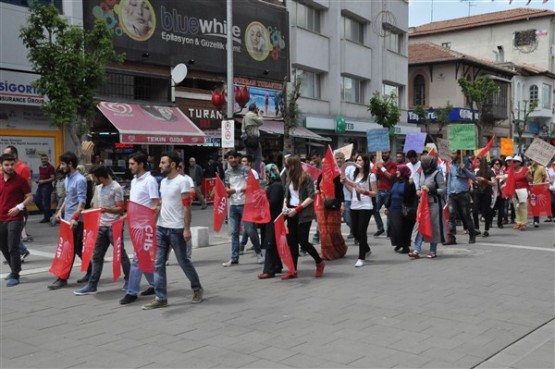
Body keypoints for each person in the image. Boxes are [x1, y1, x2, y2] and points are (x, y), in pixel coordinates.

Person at [142, 151, 204, 309]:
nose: (160, 165)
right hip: (161, 228)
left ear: (173, 165)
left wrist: (187, 229)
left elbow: (186, 207)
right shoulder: (162, 182)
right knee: (158, 263)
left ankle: (197, 288)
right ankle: (161, 297)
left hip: (176, 229)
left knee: (183, 261)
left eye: (163, 162)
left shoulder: (182, 182)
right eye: (161, 162)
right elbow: (163, 202)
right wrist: (155, 214)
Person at [73, 165, 131, 295]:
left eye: (94, 177)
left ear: (100, 177)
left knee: (121, 255)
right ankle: (92, 285)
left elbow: (121, 209)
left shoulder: (116, 188)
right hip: (101, 226)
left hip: (113, 226)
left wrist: (106, 210)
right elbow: (96, 206)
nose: (93, 180)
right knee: (97, 256)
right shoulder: (98, 188)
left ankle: (129, 280)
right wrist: (87, 212)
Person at [120, 152, 160, 305]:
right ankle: (155, 284)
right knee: (143, 258)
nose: (129, 167)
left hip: (145, 227)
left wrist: (151, 224)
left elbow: (156, 204)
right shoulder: (135, 180)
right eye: (129, 164)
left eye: (132, 164)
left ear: (141, 164)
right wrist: (126, 216)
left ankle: (132, 291)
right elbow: (135, 204)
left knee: (137, 260)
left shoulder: (150, 181)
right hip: (134, 225)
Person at [47, 152, 91, 290]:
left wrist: (75, 218)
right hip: (67, 219)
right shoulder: (67, 178)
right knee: (77, 249)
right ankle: (92, 271)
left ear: (70, 164)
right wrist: (60, 211)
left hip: (76, 221)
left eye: (63, 163)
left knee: (69, 250)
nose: (61, 166)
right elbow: (68, 197)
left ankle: (62, 278)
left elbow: (82, 202)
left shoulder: (80, 180)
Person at [282, 155, 325, 279]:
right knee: (292, 242)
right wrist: (285, 206)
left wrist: (297, 209)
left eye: (288, 165)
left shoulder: (306, 177)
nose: (286, 168)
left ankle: (319, 262)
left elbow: (311, 196)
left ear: (293, 165)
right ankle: (293, 270)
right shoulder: (289, 177)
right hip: (291, 212)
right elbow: (287, 194)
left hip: (303, 214)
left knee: (303, 241)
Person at [222, 150, 264, 266]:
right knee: (234, 232)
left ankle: (259, 253)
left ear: (238, 159)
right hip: (233, 205)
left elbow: (251, 186)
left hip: (247, 204)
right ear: (228, 159)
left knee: (250, 230)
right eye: (231, 158)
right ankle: (234, 257)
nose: (233, 160)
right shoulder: (227, 172)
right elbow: (227, 187)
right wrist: (227, 193)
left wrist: (235, 190)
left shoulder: (246, 170)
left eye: (235, 157)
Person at [0, 154, 32, 287]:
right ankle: (13, 269)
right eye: (6, 165)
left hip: (16, 217)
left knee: (13, 245)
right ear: (1, 166)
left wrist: (19, 207)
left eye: (12, 164)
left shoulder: (20, 180)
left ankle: (15, 274)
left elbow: (29, 196)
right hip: (1, 217)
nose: (9, 167)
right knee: (3, 246)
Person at [342, 154, 377, 267]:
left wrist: (365, 192)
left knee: (362, 231)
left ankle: (361, 257)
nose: (357, 161)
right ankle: (366, 249)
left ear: (366, 162)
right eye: (356, 160)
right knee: (355, 231)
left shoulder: (371, 176)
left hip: (366, 206)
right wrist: (345, 182)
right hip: (354, 205)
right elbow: (353, 189)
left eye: (360, 160)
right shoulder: (354, 174)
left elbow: (375, 193)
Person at [409, 156, 446, 259]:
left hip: (434, 205)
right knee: (420, 226)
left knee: (433, 227)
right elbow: (420, 185)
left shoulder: (437, 174)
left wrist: (431, 190)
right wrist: (418, 190)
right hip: (422, 204)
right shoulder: (421, 173)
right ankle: (416, 250)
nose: (424, 167)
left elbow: (443, 189)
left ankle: (433, 250)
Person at [2, 146, 31, 261]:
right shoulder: (3, 168)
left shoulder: (23, 168)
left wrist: (20, 206)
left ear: (14, 155)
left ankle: (18, 259)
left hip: (18, 208)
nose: (9, 167)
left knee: (12, 236)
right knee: (7, 236)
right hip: (4, 208)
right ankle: (17, 254)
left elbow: (28, 189)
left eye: (7, 154)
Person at [316, 159, 347, 261]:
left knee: (333, 230)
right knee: (323, 231)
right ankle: (326, 252)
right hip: (321, 206)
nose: (324, 165)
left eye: (326, 163)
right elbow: (317, 189)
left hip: (333, 205)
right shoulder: (321, 175)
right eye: (323, 163)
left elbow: (340, 191)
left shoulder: (336, 176)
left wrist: (342, 204)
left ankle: (339, 249)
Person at [257, 164, 285, 279]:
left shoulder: (276, 186)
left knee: (270, 243)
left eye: (266, 172)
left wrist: (262, 200)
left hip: (274, 218)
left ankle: (269, 270)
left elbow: (272, 203)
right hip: (272, 218)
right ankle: (277, 265)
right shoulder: (273, 185)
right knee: (273, 244)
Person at [444, 150, 476, 245]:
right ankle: (451, 238)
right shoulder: (451, 165)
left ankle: (472, 235)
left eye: (453, 154)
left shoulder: (466, 162)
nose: (451, 155)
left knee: (466, 215)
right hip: (452, 195)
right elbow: (450, 180)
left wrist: (465, 169)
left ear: (458, 154)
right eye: (451, 154)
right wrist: (448, 194)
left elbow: (473, 177)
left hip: (463, 194)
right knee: (451, 216)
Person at [386, 164, 417, 254]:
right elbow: (391, 194)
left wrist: (411, 186)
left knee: (403, 228)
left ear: (403, 171)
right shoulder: (395, 181)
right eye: (396, 170)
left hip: (403, 209)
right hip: (393, 208)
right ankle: (399, 243)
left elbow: (411, 197)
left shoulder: (409, 183)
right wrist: (387, 206)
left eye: (398, 170)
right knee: (394, 228)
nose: (396, 172)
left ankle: (405, 246)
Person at [239, 155, 263, 263]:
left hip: (251, 203)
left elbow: (256, 187)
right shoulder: (238, 172)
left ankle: (256, 250)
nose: (243, 163)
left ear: (249, 163)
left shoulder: (253, 173)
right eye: (242, 161)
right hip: (239, 203)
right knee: (246, 227)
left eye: (245, 161)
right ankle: (240, 246)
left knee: (250, 228)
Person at [373, 151, 397, 237]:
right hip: (379, 190)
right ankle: (380, 228)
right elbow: (377, 177)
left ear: (389, 154)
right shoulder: (380, 164)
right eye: (383, 153)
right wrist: (376, 168)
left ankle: (389, 231)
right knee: (375, 210)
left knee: (388, 212)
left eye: (386, 153)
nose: (384, 155)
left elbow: (390, 176)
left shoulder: (393, 164)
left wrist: (382, 168)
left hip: (389, 191)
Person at [472, 157, 496, 237]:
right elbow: (476, 181)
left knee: (486, 212)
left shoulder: (490, 171)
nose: (478, 164)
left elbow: (493, 183)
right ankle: (476, 228)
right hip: (478, 193)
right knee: (475, 211)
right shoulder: (478, 171)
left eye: (479, 162)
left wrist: (484, 180)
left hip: (487, 193)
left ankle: (486, 230)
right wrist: (475, 181)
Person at [334, 151, 355, 240]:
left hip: (347, 197)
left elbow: (353, 184)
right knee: (335, 220)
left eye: (341, 158)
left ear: (344, 159)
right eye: (337, 158)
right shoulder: (332, 169)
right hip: (335, 198)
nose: (339, 160)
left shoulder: (349, 169)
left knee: (347, 218)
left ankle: (355, 231)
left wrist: (345, 180)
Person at [242, 103, 264, 175]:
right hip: (254, 139)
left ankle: (247, 172)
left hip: (247, 139)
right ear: (254, 109)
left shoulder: (245, 117)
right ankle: (255, 173)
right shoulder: (252, 115)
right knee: (258, 157)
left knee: (248, 156)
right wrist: (260, 114)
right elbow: (261, 122)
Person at [511, 156, 531, 231]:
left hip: (523, 190)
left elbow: (531, 179)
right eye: (513, 161)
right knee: (516, 207)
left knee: (523, 207)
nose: (513, 163)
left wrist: (526, 176)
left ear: (519, 162)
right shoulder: (511, 170)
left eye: (515, 161)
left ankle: (523, 223)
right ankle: (518, 222)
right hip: (514, 190)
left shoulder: (525, 169)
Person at [34, 154, 55, 223]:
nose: (44, 160)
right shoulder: (40, 167)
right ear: (41, 160)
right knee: (36, 200)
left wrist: (43, 181)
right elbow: (41, 175)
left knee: (46, 203)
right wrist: (38, 179)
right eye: (42, 159)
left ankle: (46, 217)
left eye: (45, 159)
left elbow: (53, 178)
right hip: (40, 186)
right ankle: (48, 214)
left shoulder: (50, 167)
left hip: (47, 187)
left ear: (47, 159)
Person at [529, 159, 548, 227]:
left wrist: (547, 182)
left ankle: (536, 220)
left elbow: (545, 177)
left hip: (538, 188)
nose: (533, 162)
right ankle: (535, 219)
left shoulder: (541, 168)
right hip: (531, 189)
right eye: (531, 160)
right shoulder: (529, 168)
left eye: (534, 160)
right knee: (532, 205)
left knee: (536, 204)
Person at [491, 158, 506, 229]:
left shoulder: (502, 172)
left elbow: (505, 181)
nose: (498, 165)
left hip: (501, 193)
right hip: (493, 193)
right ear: (493, 165)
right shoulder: (490, 171)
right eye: (496, 164)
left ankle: (500, 223)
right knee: (491, 208)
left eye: (499, 164)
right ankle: (489, 222)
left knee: (501, 209)